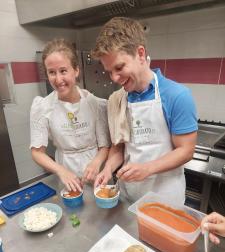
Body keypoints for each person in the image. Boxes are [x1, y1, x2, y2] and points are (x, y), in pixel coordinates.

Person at [92, 17, 198, 205]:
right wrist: (108, 168)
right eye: (109, 71)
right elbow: (119, 147)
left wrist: (147, 169)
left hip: (165, 198)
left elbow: (186, 150)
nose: (115, 78)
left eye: (119, 67)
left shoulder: (177, 95)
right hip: (127, 196)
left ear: (140, 54)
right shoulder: (118, 99)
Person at [30, 38, 110, 192]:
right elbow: (37, 152)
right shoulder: (42, 107)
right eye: (52, 72)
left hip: (96, 173)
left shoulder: (95, 104)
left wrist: (95, 163)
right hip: (67, 174)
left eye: (63, 71)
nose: (58, 79)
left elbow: (104, 146)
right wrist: (61, 171)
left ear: (76, 70)